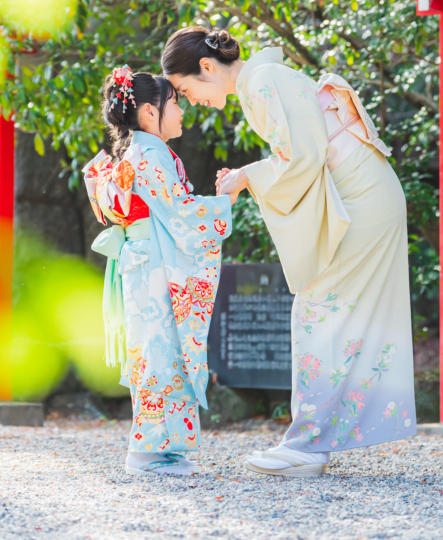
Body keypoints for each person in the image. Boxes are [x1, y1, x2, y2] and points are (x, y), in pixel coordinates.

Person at [162, 27, 416, 477]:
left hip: (360, 197)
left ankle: (308, 444)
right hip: (364, 192)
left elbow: (301, 157)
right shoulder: (265, 78)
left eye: (186, 90)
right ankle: (313, 439)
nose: (193, 101)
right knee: (325, 312)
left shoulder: (261, 82)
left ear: (206, 67)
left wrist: (245, 176)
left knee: (316, 311)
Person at [82, 66, 233, 476]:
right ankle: (149, 451)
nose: (182, 111)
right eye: (175, 103)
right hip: (156, 265)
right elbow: (181, 214)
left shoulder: (139, 153)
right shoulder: (151, 155)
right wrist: (225, 200)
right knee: (159, 354)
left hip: (145, 261)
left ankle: (161, 449)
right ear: (150, 112)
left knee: (156, 352)